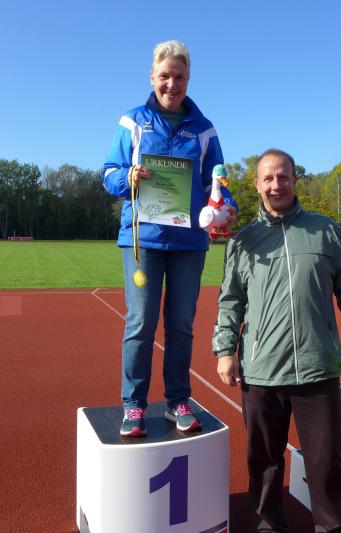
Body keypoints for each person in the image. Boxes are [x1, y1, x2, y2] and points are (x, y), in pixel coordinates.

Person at [212, 149, 341, 533]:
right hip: (261, 371)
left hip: (317, 368)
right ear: (257, 184)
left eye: (283, 177)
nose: (276, 185)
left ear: (295, 180)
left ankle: (332, 527)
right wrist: (224, 350)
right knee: (264, 464)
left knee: (326, 464)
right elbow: (230, 300)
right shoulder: (242, 241)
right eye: (268, 178)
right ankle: (268, 527)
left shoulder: (325, 230)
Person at [102, 40, 236, 437]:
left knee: (181, 325)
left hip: (189, 242)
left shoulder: (205, 129)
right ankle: (133, 405)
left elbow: (218, 184)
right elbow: (108, 174)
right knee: (140, 323)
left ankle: (178, 399)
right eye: (165, 76)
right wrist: (127, 178)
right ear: (152, 76)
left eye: (179, 77)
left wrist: (224, 208)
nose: (171, 84)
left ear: (188, 79)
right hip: (143, 240)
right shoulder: (132, 121)